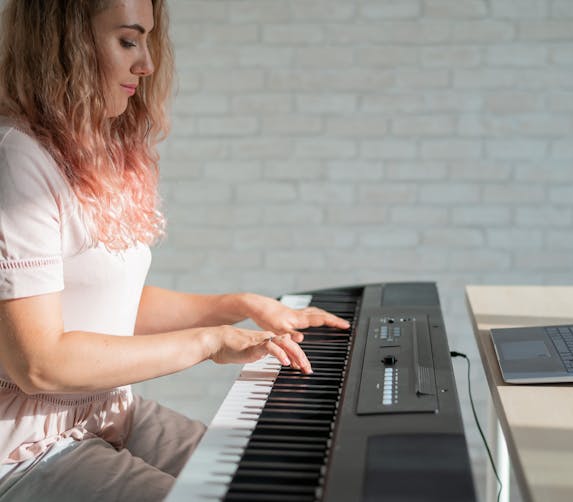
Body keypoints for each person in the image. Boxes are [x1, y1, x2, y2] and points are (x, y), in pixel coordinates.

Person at [0, 1, 350, 500]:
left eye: (146, 42)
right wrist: (207, 343)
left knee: (263, 482)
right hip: (26, 450)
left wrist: (237, 305)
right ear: (63, 43)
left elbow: (110, 307)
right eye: (127, 41)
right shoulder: (16, 159)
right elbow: (37, 363)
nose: (146, 64)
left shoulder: (89, 147)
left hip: (107, 410)